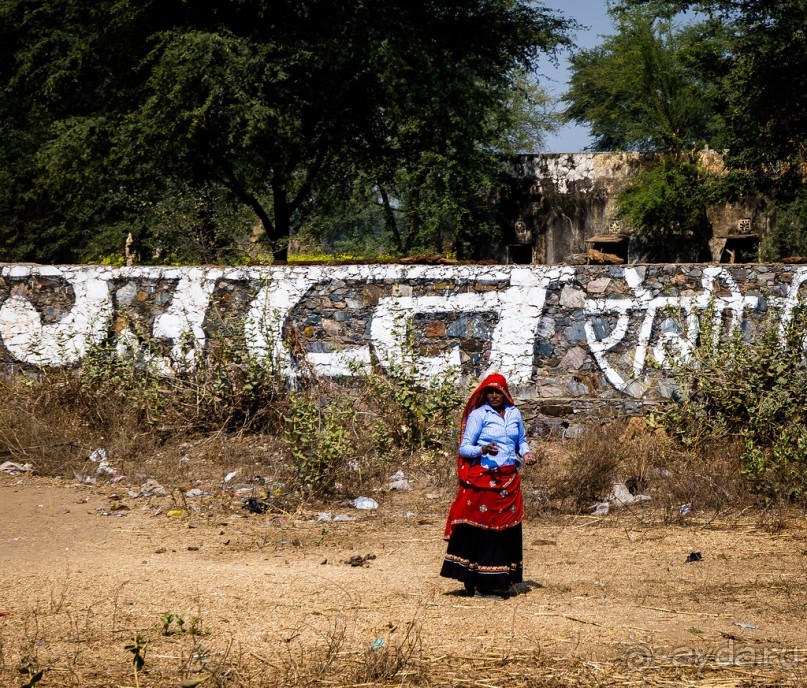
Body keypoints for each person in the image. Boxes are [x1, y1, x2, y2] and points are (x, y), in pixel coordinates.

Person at [440, 373, 536, 599]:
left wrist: (527, 453)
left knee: (504, 532)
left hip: (508, 480)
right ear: (484, 394)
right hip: (484, 480)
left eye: (498, 392)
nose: (494, 396)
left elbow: (520, 441)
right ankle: (479, 583)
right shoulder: (478, 415)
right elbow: (465, 448)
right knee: (482, 530)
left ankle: (499, 582)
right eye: (490, 392)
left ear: (505, 393)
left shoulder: (514, 413)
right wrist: (482, 450)